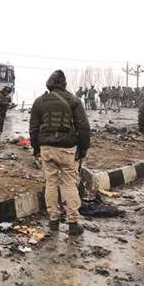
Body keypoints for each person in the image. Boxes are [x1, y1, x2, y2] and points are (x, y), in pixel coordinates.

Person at [29, 70, 90, 236]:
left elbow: (33, 129)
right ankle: (73, 223)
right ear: (64, 84)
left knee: (51, 183)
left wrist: (36, 149)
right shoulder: (74, 101)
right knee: (69, 183)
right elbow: (83, 127)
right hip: (67, 149)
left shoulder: (39, 102)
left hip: (46, 148)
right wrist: (83, 149)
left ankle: (54, 220)